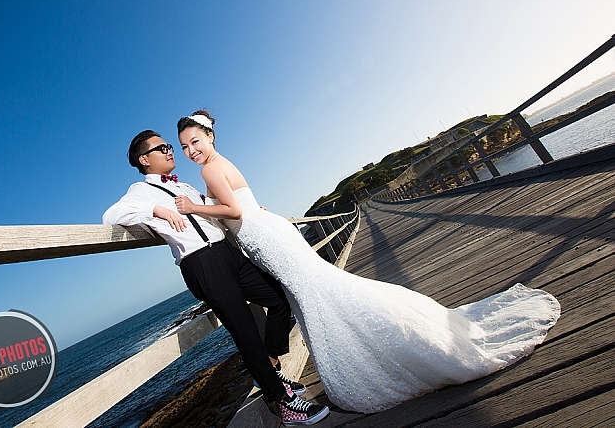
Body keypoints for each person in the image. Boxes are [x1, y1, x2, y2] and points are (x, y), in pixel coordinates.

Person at [173, 110, 562, 414]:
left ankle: (370, 359)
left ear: (210, 136)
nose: (191, 151)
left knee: (316, 294)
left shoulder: (210, 168)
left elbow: (233, 211)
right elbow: (241, 205)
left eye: (195, 141)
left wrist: (193, 207)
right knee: (318, 292)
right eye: (185, 147)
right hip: (270, 235)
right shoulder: (220, 163)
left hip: (266, 240)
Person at [102, 130, 330, 426]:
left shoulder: (184, 185)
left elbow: (216, 212)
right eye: (162, 148)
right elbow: (111, 216)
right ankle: (282, 401)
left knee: (278, 297)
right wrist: (155, 209)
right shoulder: (140, 191)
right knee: (245, 330)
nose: (170, 150)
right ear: (144, 159)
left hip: (228, 252)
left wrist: (252, 213)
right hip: (202, 263)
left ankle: (270, 367)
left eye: (170, 146)